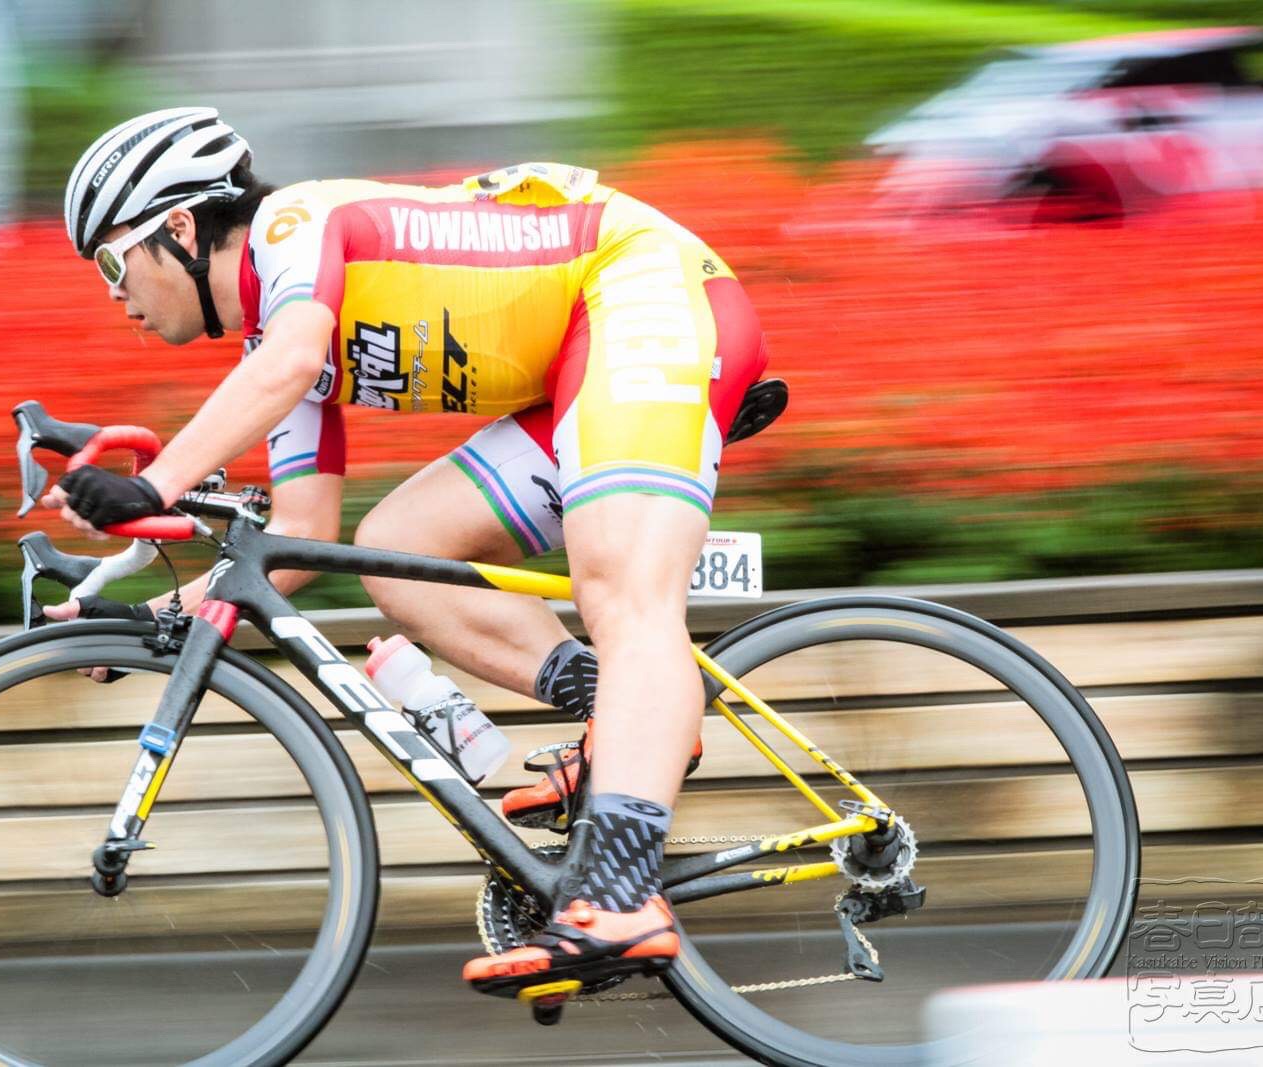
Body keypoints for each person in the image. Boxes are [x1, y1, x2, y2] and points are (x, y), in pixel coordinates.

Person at [43, 106, 769, 1000]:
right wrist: (147, 623)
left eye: (114, 262)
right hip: (583, 355)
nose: (114, 292)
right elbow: (300, 537)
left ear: (182, 229)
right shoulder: (279, 332)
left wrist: (154, 487)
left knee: (620, 591)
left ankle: (619, 895)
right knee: (393, 548)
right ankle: (620, 717)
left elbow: (285, 371)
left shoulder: (291, 228)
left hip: (641, 294)